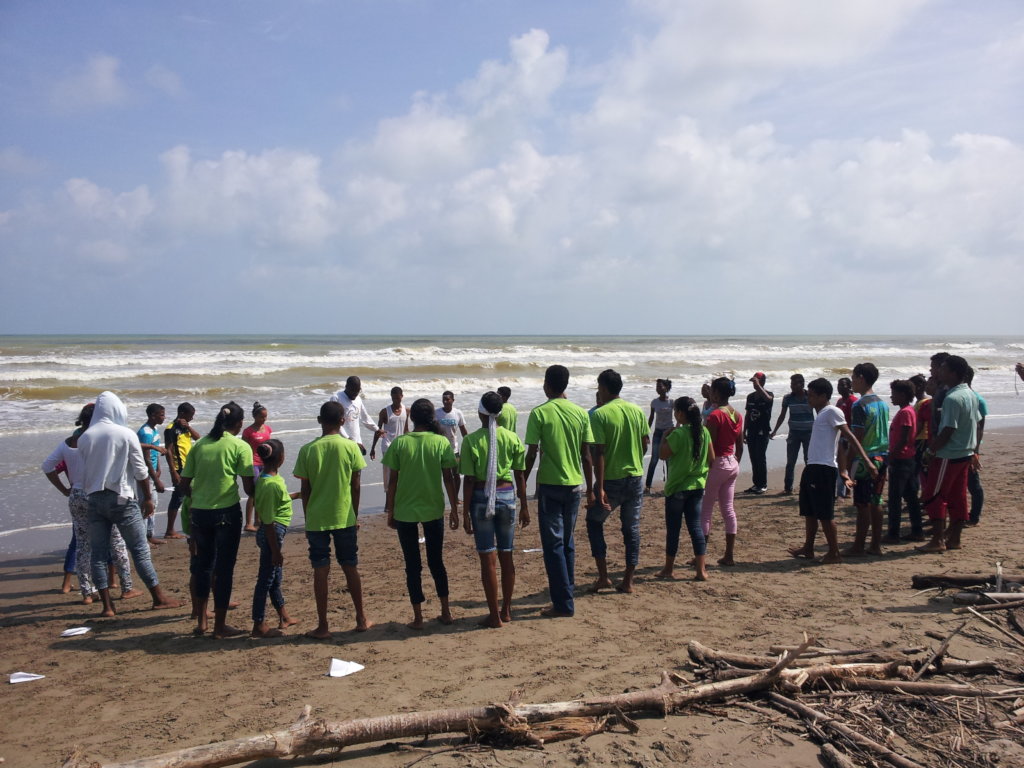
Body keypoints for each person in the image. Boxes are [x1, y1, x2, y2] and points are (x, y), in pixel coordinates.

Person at [77, 391, 180, 617]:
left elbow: (85, 471)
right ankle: (158, 597)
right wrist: (149, 498)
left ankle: (107, 606)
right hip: (122, 497)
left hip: (94, 498)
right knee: (140, 550)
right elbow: (140, 470)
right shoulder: (125, 434)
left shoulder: (85, 437)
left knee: (99, 554)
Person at [42, 403, 139, 604]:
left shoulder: (70, 441)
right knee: (116, 542)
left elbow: (47, 466)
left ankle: (87, 592)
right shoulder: (97, 440)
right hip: (97, 492)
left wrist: (64, 489)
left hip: (76, 494)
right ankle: (126, 587)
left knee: (83, 545)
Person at [294, 401, 371, 639]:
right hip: (344, 515)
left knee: (320, 568)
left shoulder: (308, 449)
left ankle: (323, 624)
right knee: (350, 566)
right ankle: (360, 618)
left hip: (317, 517)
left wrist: (307, 519)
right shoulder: (350, 448)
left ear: (319, 421)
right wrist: (355, 514)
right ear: (343, 421)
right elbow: (355, 486)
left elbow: (305, 490)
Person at [178, 401, 255, 638]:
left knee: (203, 567)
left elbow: (184, 484)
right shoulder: (240, 446)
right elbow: (249, 487)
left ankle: (202, 621)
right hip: (226, 512)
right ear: (240, 424)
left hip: (200, 513)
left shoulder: (199, 445)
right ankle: (220, 625)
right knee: (223, 568)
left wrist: (200, 497)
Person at [382, 399, 460, 629]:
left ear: (411, 419)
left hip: (405, 510)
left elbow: (393, 481)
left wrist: (390, 510)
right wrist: (454, 509)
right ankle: (445, 611)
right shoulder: (440, 442)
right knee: (437, 562)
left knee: (412, 565)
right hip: (433, 508)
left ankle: (418, 617)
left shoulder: (400, 443)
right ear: (431, 419)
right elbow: (448, 478)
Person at [524, 365, 595, 618]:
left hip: (550, 485)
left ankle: (563, 603)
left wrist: (522, 481)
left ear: (547, 384)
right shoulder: (580, 413)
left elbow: (531, 453)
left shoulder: (540, 413)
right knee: (567, 542)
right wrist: (592, 488)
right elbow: (587, 455)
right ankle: (567, 592)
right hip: (575, 485)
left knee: (553, 545)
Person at [787, 379, 877, 564]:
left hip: (823, 469)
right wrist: (843, 470)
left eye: (811, 395)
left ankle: (834, 552)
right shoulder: (821, 414)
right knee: (809, 511)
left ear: (822, 396)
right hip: (813, 466)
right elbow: (838, 446)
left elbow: (848, 436)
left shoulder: (832, 411)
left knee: (825, 514)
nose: (808, 398)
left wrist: (867, 461)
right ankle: (808, 548)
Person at [460, 391, 529, 628]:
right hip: (507, 495)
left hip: (481, 497)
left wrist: (464, 513)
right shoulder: (512, 438)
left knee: (487, 558)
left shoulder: (471, 441)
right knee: (506, 555)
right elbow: (519, 475)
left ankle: (494, 615)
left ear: (480, 412)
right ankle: (506, 610)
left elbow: (468, 480)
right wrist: (525, 507)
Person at [587, 369, 649, 594]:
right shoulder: (636, 410)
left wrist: (599, 486)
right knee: (631, 528)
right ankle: (628, 580)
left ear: (603, 388)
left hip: (611, 479)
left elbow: (599, 453)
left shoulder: (599, 414)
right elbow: (644, 443)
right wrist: (634, 460)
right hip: (635, 476)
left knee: (594, 522)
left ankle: (603, 576)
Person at [917, 355, 979, 553]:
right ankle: (955, 539)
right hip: (964, 452)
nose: (938, 372)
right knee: (958, 496)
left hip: (948, 454)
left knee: (933, 494)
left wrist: (931, 449)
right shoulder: (970, 394)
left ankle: (937, 540)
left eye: (943, 369)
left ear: (953, 373)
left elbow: (948, 429)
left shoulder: (952, 397)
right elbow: (975, 422)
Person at [656, 397, 713, 580]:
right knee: (695, 528)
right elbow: (711, 458)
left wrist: (665, 436)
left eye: (675, 411)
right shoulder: (704, 431)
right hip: (697, 486)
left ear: (680, 414)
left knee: (674, 530)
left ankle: (669, 569)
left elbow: (663, 455)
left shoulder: (678, 434)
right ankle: (701, 570)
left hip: (677, 488)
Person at [250, 438, 298, 638]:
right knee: (266, 579)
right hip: (273, 533)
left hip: (273, 531)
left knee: (275, 578)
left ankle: (284, 616)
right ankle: (258, 624)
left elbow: (280, 499)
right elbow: (268, 521)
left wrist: (297, 495)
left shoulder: (266, 478)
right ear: (281, 458)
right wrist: (276, 552)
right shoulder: (270, 484)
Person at [845, 363, 890, 557]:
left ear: (861, 378)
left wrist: (847, 465)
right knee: (876, 500)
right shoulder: (882, 403)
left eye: (854, 378)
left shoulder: (860, 405)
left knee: (862, 503)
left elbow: (857, 438)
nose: (852, 382)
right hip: (883, 455)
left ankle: (859, 545)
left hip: (866, 458)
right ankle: (875, 544)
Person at [701, 377, 744, 566]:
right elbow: (740, 445)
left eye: (712, 391)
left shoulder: (715, 416)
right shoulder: (737, 414)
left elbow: (709, 445)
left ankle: (700, 556)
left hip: (716, 463)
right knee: (728, 509)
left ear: (717, 393)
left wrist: (705, 466)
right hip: (732, 462)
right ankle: (729, 555)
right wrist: (735, 461)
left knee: (706, 510)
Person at [883, 380, 923, 542]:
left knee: (895, 498)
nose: (891, 397)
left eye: (894, 394)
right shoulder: (909, 410)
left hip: (902, 459)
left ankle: (893, 533)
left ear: (903, 395)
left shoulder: (905, 412)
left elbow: (904, 438)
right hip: (908, 458)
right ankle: (917, 530)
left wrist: (891, 456)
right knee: (910, 496)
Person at [771, 374, 813, 494]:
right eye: (791, 384)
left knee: (808, 460)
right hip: (794, 433)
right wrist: (775, 431)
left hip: (809, 433)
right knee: (791, 461)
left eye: (795, 384)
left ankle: (810, 485)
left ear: (802, 384)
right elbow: (782, 415)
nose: (792, 386)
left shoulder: (810, 396)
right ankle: (788, 488)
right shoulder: (788, 398)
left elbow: (819, 412)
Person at [163, 402, 200, 539]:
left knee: (190, 496)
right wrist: (173, 472)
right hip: (179, 469)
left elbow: (198, 439)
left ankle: (190, 523)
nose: (192, 418)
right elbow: (169, 451)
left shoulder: (185, 428)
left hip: (189, 467)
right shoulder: (171, 429)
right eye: (191, 416)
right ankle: (169, 530)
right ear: (182, 414)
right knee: (178, 497)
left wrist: (188, 426)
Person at [330, 375, 382, 454]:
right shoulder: (336, 398)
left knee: (358, 466)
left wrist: (377, 429)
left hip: (357, 443)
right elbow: (335, 424)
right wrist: (348, 439)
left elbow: (365, 417)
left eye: (357, 391)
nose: (355, 394)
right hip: (341, 443)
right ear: (346, 386)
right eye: (352, 390)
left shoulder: (358, 399)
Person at [242, 401, 273, 532]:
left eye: (265, 416)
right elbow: (243, 448)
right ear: (255, 416)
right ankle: (248, 523)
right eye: (261, 417)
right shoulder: (248, 431)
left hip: (265, 463)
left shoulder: (268, 429)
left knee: (263, 491)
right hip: (253, 463)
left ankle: (258, 520)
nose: (264, 419)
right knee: (253, 493)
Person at [370, 386, 409, 487]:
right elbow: (378, 430)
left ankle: (398, 499)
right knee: (389, 475)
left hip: (401, 446)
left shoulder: (406, 411)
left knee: (401, 474)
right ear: (391, 397)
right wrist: (373, 448)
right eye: (394, 398)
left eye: (398, 398)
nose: (396, 400)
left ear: (402, 396)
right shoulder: (384, 412)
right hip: (388, 446)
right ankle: (389, 497)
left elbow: (406, 430)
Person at [742, 373, 773, 494]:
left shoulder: (769, 394)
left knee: (760, 457)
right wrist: (744, 432)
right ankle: (756, 484)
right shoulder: (750, 397)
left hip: (763, 430)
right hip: (751, 431)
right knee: (753, 457)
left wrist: (759, 386)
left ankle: (763, 484)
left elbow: (768, 399)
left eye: (758, 381)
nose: (754, 384)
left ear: (763, 382)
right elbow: (747, 415)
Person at [644, 379, 674, 494]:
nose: (658, 388)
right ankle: (648, 485)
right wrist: (646, 431)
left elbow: (678, 415)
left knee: (668, 460)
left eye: (660, 386)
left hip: (669, 432)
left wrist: (677, 428)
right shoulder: (654, 402)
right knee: (654, 459)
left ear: (666, 388)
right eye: (657, 387)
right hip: (658, 432)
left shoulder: (671, 402)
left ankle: (670, 485)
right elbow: (651, 418)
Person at [965, 367, 987, 527]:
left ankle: (975, 516)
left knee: (973, 484)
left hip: (970, 447)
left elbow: (980, 426)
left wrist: (976, 451)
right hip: (963, 446)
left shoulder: (976, 399)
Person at [834, 378, 858, 499]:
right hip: (841, 437)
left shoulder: (853, 401)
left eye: (842, 385)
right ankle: (842, 491)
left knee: (848, 465)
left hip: (849, 437)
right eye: (838, 385)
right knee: (841, 465)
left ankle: (846, 491)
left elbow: (855, 422)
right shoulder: (839, 401)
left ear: (849, 387)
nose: (839, 387)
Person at [435, 390, 468, 456]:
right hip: (440, 448)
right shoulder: (436, 413)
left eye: (447, 399)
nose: (445, 402)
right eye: (443, 400)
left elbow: (463, 431)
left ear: (453, 400)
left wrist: (469, 444)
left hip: (454, 449)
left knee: (455, 466)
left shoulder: (458, 413)